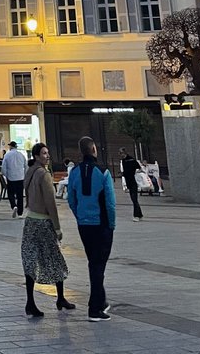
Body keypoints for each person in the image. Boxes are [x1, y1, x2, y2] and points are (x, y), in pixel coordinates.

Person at [21, 142, 73, 317]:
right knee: (54, 259)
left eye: (47, 153)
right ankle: (60, 297)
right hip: (43, 222)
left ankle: (30, 302)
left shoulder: (30, 172)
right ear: (36, 156)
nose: (47, 156)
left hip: (30, 221)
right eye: (44, 153)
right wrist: (57, 227)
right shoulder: (44, 174)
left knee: (30, 260)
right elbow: (51, 203)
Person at [68, 136, 116, 322]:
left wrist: (79, 216)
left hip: (84, 225)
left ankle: (101, 301)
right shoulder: (103, 172)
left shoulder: (74, 172)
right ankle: (94, 308)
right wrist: (111, 224)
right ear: (94, 149)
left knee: (93, 262)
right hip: (101, 225)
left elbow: (71, 199)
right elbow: (110, 203)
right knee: (98, 265)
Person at [2, 141, 28, 217]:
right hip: (20, 178)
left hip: (11, 178)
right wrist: (24, 175)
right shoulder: (21, 155)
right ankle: (20, 213)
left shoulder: (7, 155)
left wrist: (6, 175)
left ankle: (14, 206)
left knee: (11, 194)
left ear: (10, 147)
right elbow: (26, 166)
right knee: (20, 196)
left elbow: (3, 168)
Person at [119, 147, 144, 221]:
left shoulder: (131, 160)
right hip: (128, 181)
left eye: (121, 153)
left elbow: (139, 168)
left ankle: (136, 215)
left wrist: (136, 173)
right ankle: (140, 214)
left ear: (124, 153)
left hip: (133, 181)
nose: (120, 155)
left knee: (134, 199)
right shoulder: (123, 160)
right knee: (134, 199)